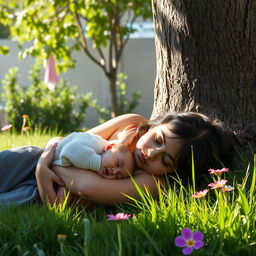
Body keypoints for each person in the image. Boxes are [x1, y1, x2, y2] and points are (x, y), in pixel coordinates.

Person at [35, 112, 234, 206]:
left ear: (174, 172)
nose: (151, 153)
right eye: (157, 139)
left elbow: (88, 188)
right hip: (28, 158)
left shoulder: (152, 183)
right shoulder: (130, 124)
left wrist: (44, 168)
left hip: (33, 191)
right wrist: (44, 159)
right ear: (156, 125)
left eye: (165, 161)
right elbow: (69, 139)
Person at [50, 127, 137, 180]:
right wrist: (98, 164)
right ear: (109, 148)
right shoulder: (95, 143)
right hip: (38, 158)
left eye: (118, 176)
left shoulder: (103, 157)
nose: (114, 171)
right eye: (117, 163)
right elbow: (69, 150)